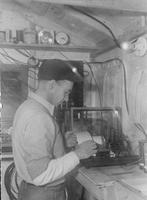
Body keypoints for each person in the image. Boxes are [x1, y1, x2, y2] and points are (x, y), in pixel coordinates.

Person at [12, 59, 97, 200]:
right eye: (66, 92)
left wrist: (61, 143)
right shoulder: (39, 117)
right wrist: (78, 154)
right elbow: (40, 175)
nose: (66, 98)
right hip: (44, 193)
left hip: (34, 191)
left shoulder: (27, 107)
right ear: (51, 85)